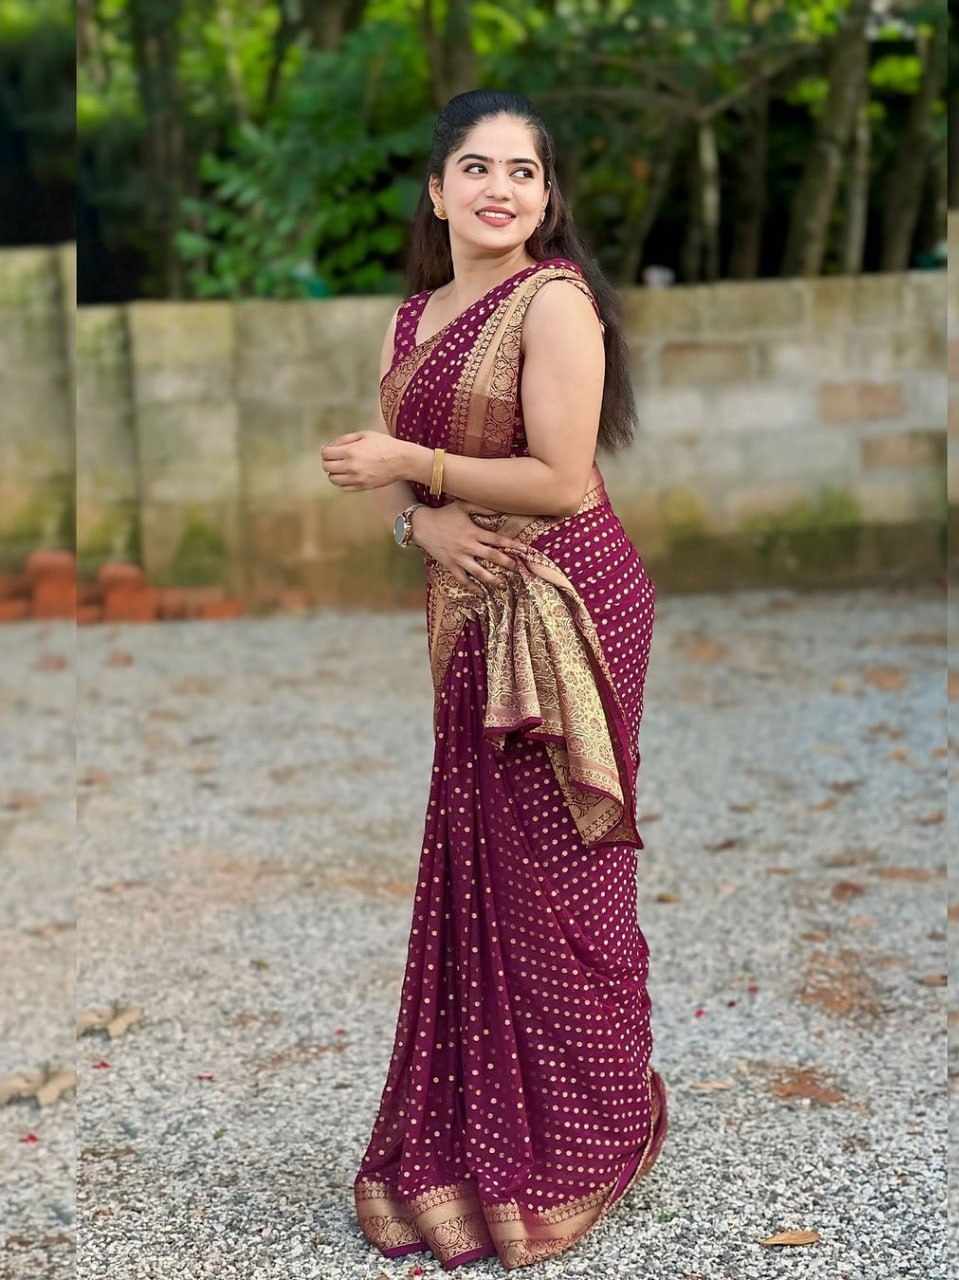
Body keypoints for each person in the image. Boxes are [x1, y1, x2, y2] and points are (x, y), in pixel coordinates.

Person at [320, 87, 668, 1272]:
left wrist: (413, 463)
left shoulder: (554, 302)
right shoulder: (411, 317)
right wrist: (416, 520)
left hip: (565, 606)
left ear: (546, 196)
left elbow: (562, 478)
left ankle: (594, 1128)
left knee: (557, 870)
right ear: (437, 191)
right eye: (477, 167)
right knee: (478, 857)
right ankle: (478, 1129)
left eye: (524, 171)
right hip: (467, 602)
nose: (501, 189)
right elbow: (391, 474)